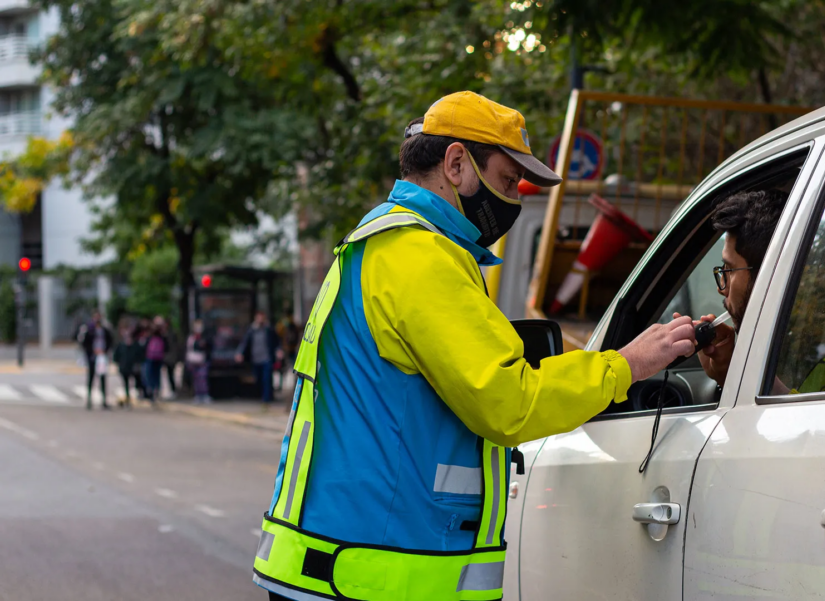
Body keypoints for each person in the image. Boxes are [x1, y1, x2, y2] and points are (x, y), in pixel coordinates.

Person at [251, 92, 695, 601]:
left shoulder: (386, 243)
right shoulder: (419, 256)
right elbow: (510, 401)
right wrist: (626, 364)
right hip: (369, 575)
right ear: (457, 163)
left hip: (345, 561)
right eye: (508, 181)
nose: (515, 198)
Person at [694, 190, 790, 393]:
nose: (723, 289)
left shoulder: (800, 350)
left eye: (729, 269)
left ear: (768, 274)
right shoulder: (788, 343)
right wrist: (729, 373)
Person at [235, 311, 281, 406]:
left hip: (266, 358)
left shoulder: (269, 329)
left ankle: (266, 399)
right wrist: (239, 353)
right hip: (256, 359)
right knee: (259, 378)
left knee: (266, 378)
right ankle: (263, 396)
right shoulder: (251, 330)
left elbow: (276, 342)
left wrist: (278, 350)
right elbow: (245, 343)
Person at [75, 311, 113, 410]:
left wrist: (104, 351)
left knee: (103, 379)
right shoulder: (88, 329)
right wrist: (92, 352)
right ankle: (89, 400)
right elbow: (83, 342)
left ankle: (104, 400)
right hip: (92, 357)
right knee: (91, 378)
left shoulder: (104, 330)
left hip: (102, 357)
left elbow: (110, 341)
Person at [142, 317, 168, 406]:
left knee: (155, 376)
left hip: (157, 358)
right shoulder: (151, 334)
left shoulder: (161, 335)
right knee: (150, 376)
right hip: (151, 358)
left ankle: (155, 392)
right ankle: (152, 392)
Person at [186, 319, 213, 404]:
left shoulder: (205, 336)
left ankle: (204, 395)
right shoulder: (191, 337)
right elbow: (189, 349)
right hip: (193, 361)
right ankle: (198, 395)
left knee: (202, 378)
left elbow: (209, 346)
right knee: (196, 379)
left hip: (203, 360)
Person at [112, 327, 139, 408]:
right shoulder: (121, 345)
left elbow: (139, 356)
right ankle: (127, 397)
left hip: (132, 368)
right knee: (126, 383)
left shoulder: (135, 345)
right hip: (123, 367)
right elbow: (116, 356)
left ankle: (130, 397)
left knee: (133, 383)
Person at [161, 318, 181, 399]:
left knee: (171, 374)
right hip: (167, 357)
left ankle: (174, 390)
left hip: (170, 357)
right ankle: (171, 390)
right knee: (168, 375)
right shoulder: (164, 334)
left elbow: (173, 347)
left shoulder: (170, 334)